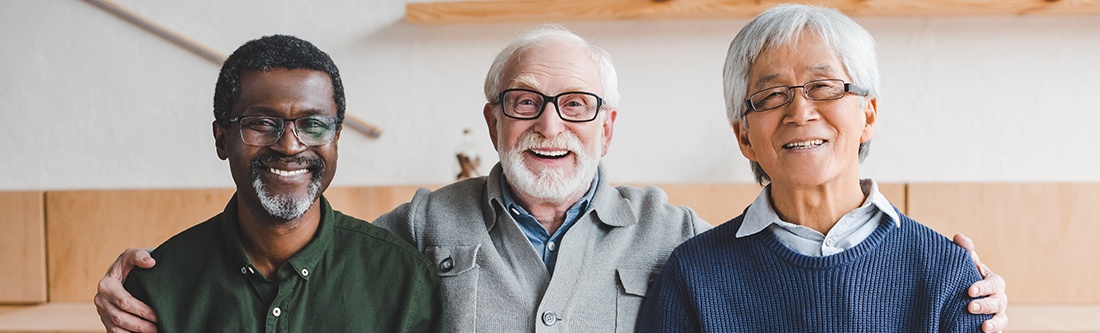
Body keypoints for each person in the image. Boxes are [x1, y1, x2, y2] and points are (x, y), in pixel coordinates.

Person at [95, 26, 1008, 333]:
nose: (548, 126)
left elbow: (785, 269)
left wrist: (955, 283)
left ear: (609, 127)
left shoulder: (684, 238)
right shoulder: (417, 226)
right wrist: (144, 284)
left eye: (576, 106)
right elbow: (309, 246)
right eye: (524, 103)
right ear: (492, 122)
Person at [638, 4, 996, 332]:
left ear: (867, 115)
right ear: (743, 136)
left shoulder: (947, 274)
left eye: (822, 87)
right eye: (772, 95)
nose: (800, 112)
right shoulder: (691, 276)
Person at [118, 35, 443, 332]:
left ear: (336, 140)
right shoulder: (159, 285)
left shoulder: (404, 281)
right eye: (261, 123)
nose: (289, 146)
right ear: (221, 140)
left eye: (313, 124)